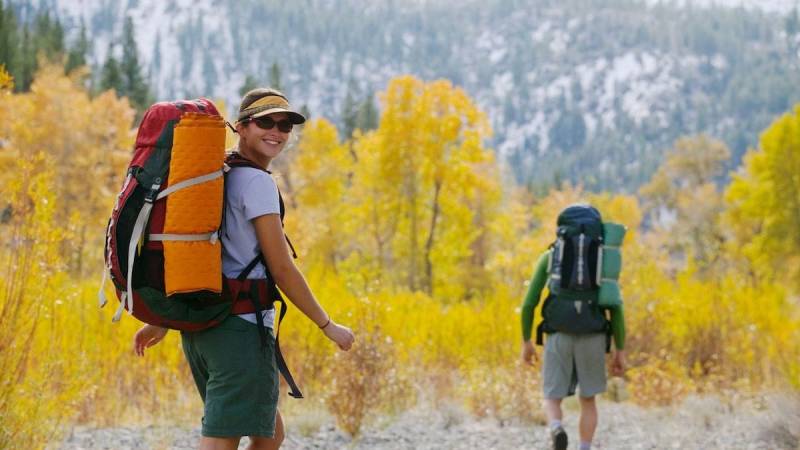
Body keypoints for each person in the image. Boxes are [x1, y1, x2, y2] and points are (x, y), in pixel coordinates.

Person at [133, 88, 355, 450]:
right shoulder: (256, 183)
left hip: (203, 330)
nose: (277, 131)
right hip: (240, 331)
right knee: (223, 441)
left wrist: (163, 319)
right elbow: (282, 268)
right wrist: (328, 326)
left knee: (269, 434)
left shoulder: (214, 174)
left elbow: (199, 250)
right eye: (265, 121)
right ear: (241, 127)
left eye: (285, 125)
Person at [520, 205, 626, 450]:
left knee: (552, 395)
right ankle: (585, 447)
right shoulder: (604, 261)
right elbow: (616, 307)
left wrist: (526, 341)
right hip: (593, 334)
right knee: (588, 400)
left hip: (558, 333)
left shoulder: (550, 257)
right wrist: (619, 349)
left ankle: (556, 428)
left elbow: (528, 304)